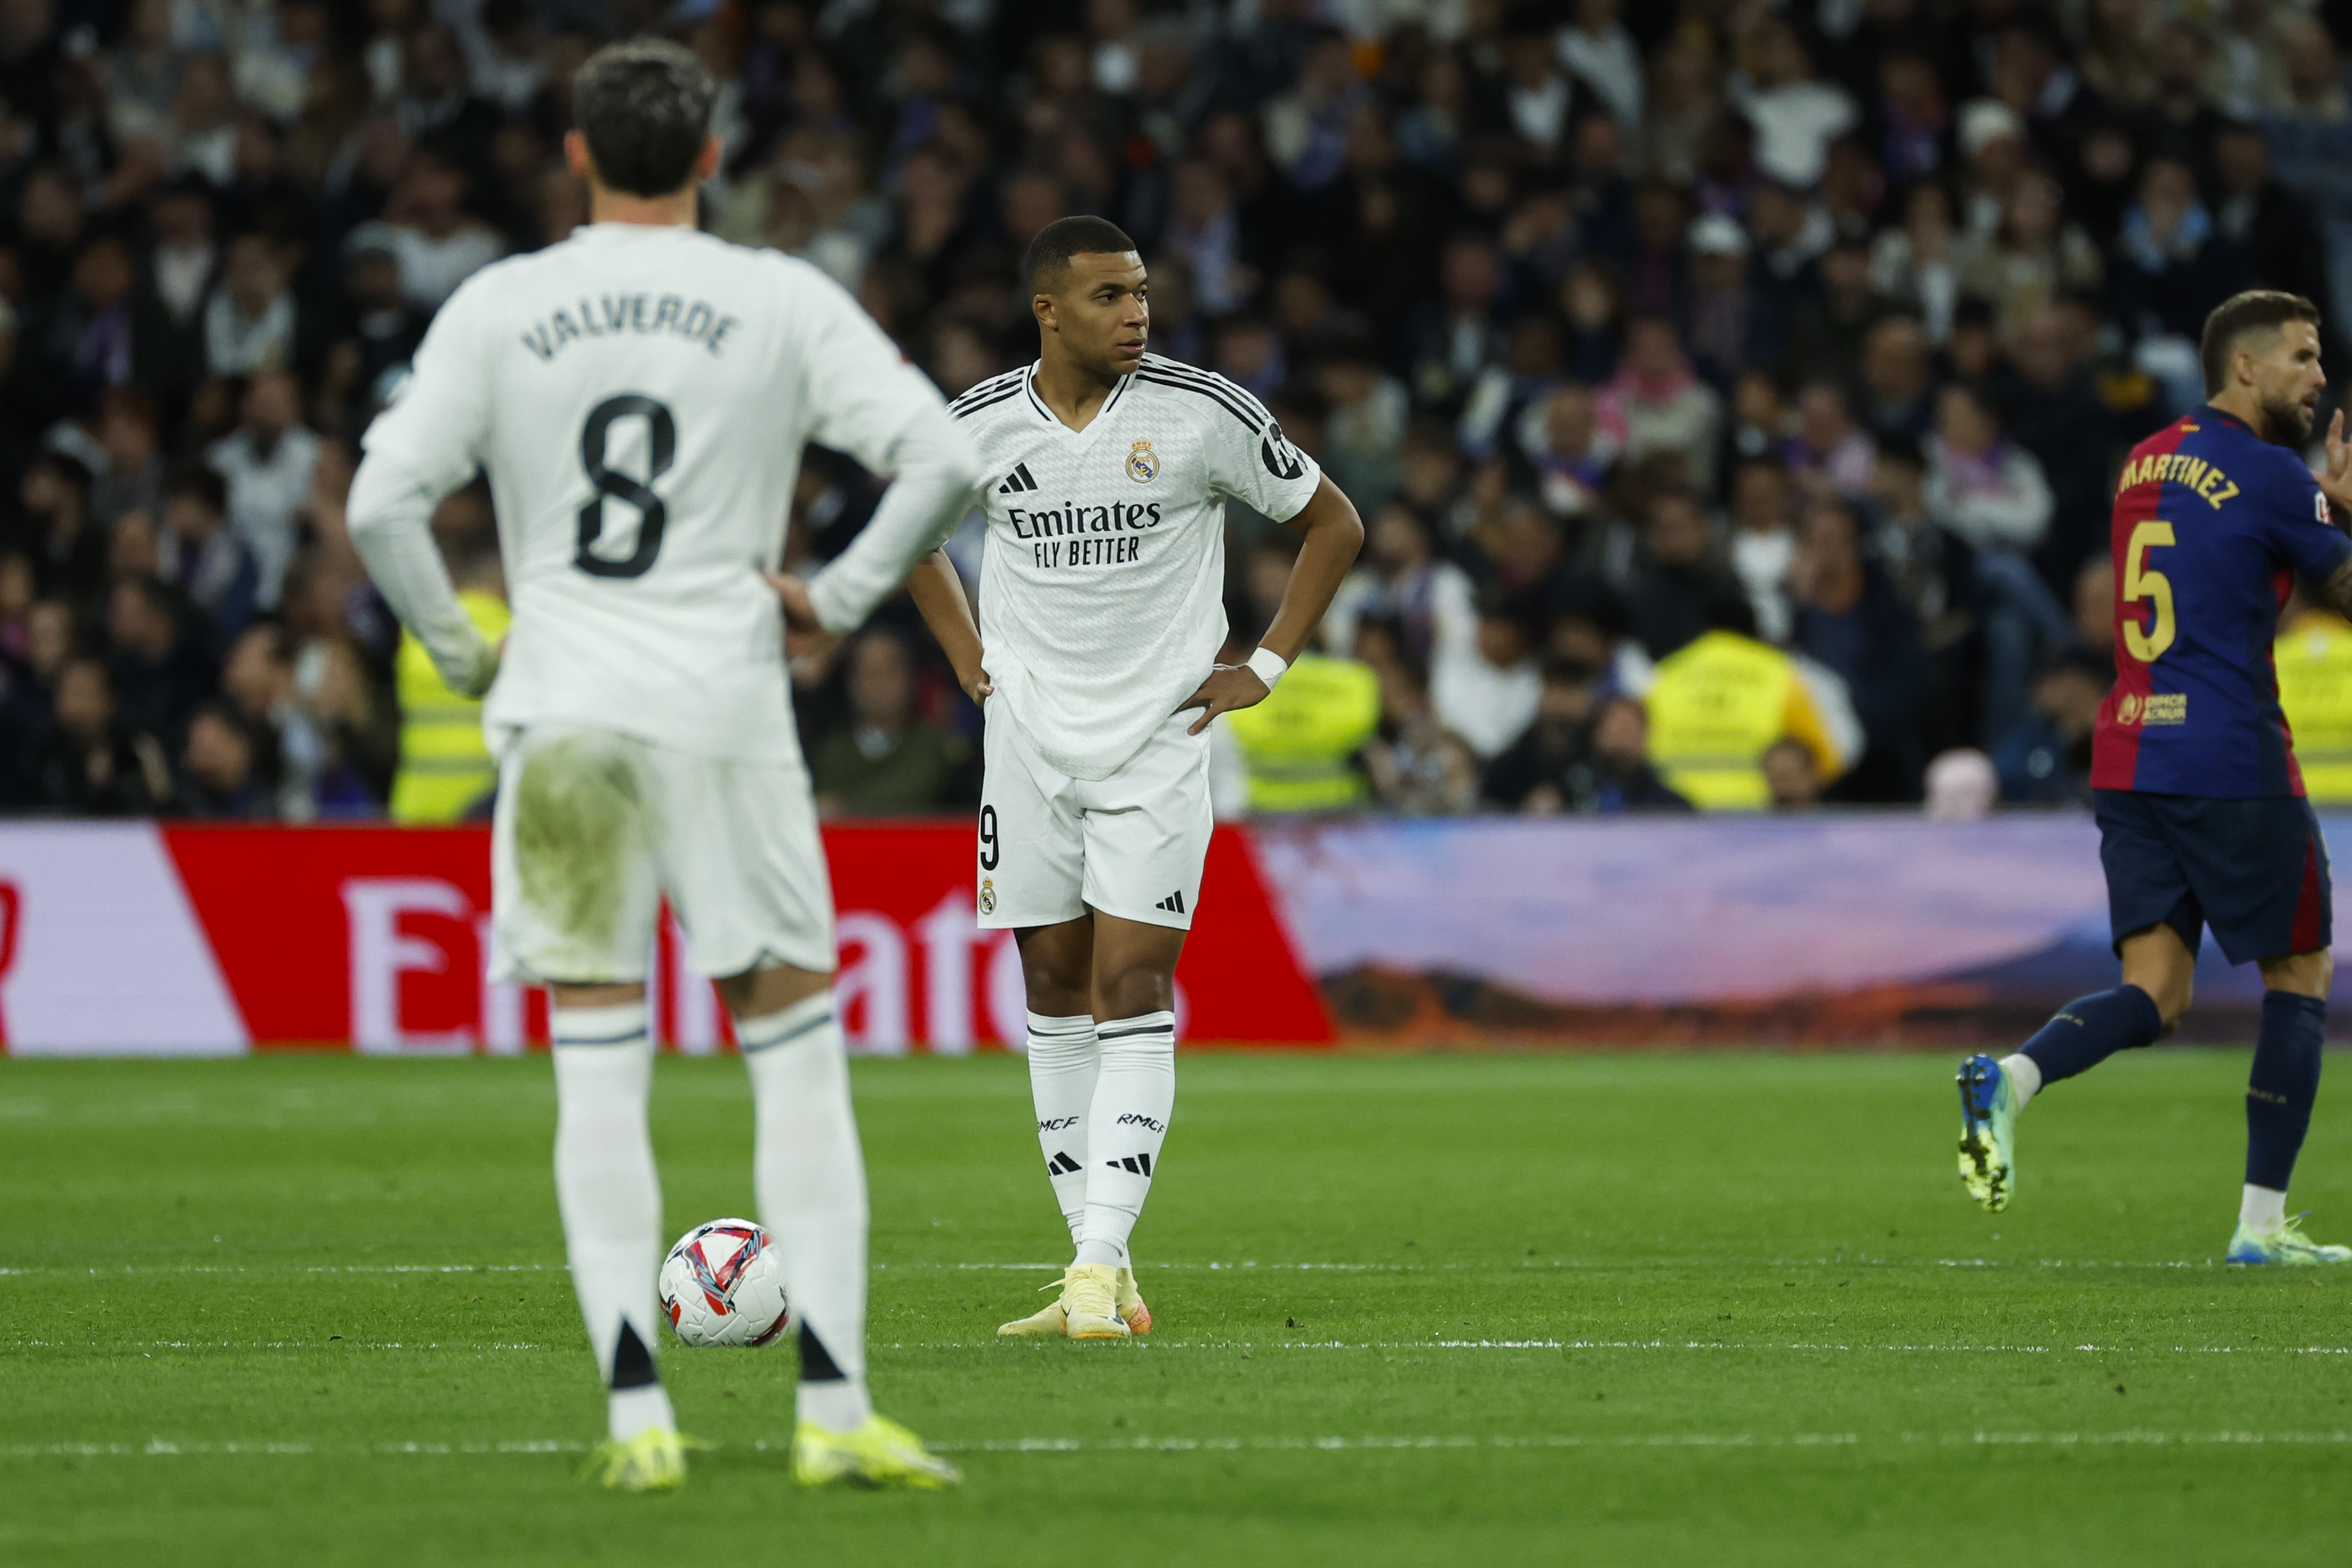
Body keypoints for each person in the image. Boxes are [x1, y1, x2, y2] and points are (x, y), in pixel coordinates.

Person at [343, 40, 978, 1493]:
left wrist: (458, 649)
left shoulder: (503, 305)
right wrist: (836, 593)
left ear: (573, 153)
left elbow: (385, 501)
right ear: (710, 158)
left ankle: (640, 1424)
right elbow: (940, 456)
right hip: (724, 707)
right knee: (797, 1055)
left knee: (597, 1065)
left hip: (563, 713)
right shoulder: (778, 297)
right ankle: (833, 1411)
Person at [908, 214, 1363, 1342]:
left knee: (1134, 989)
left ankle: (1099, 1265)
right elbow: (907, 537)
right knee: (1053, 993)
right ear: (1047, 309)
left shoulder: (1199, 411)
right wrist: (972, 660)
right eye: (1110, 296)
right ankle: (1091, 1271)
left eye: (1143, 293)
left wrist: (1264, 663)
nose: (1138, 314)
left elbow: (1334, 522)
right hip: (1026, 743)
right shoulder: (975, 426)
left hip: (1157, 739)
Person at [1956, 291, 2352, 1266]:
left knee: (2157, 993)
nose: (2319, 378)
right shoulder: (2267, 474)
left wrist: (2322, 506)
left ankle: (2010, 1081)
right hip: (2232, 758)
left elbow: (2217, 550)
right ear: (2246, 368)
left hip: (2132, 753)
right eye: (2302, 358)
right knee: (2298, 975)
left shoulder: (2140, 464)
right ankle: (2261, 1228)